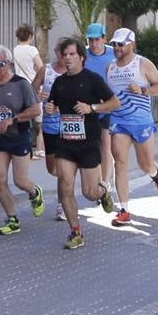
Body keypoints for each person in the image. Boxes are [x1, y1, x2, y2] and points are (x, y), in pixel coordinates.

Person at [47, 37, 120, 249]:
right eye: (64, 54)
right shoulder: (59, 83)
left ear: (81, 57)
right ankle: (76, 231)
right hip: (65, 144)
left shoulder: (92, 79)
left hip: (88, 142)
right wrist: (51, 109)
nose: (67, 58)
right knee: (65, 185)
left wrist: (92, 108)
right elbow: (54, 105)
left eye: (71, 54)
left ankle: (103, 192)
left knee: (90, 193)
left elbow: (114, 102)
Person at [0, 46, 46, 235]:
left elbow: (35, 110)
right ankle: (12, 218)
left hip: (19, 136)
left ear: (9, 64)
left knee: (20, 180)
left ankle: (34, 192)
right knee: (0, 181)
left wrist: (12, 119)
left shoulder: (21, 84)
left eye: (0, 64)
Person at [103, 27, 158, 227]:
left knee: (145, 165)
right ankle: (124, 209)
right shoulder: (110, 67)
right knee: (119, 163)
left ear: (131, 44)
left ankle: (155, 173)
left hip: (141, 122)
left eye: (121, 44)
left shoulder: (142, 64)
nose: (117, 48)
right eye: (114, 44)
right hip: (119, 121)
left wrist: (143, 90)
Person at [82, 22, 118, 200]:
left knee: (106, 144)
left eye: (96, 39)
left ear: (104, 38)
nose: (93, 43)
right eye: (90, 40)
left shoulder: (114, 53)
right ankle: (94, 182)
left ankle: (104, 184)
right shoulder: (83, 55)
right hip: (88, 107)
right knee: (91, 146)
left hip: (108, 105)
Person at [39, 39, 70, 220]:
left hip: (68, 125)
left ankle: (63, 204)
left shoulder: (73, 72)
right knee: (53, 169)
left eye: (66, 51)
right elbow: (30, 89)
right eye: (60, 50)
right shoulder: (47, 70)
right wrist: (38, 94)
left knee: (65, 168)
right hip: (50, 125)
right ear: (55, 51)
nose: (63, 55)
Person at [11, 25, 45, 157]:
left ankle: (26, 148)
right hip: (33, 86)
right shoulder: (32, 50)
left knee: (24, 118)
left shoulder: (15, 50)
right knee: (39, 120)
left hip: (19, 87)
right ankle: (40, 149)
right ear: (30, 36)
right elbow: (41, 67)